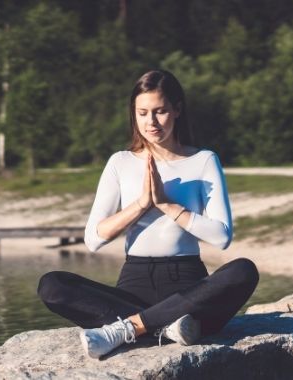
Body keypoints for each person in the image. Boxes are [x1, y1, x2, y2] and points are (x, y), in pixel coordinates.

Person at [37, 69, 259, 359]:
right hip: (134, 285)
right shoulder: (120, 162)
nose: (151, 122)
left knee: (243, 270)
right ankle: (165, 328)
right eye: (142, 113)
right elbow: (93, 239)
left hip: (189, 286)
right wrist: (141, 204)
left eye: (160, 111)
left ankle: (128, 328)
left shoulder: (203, 160)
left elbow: (222, 237)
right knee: (52, 285)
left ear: (177, 110)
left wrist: (167, 205)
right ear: (134, 114)